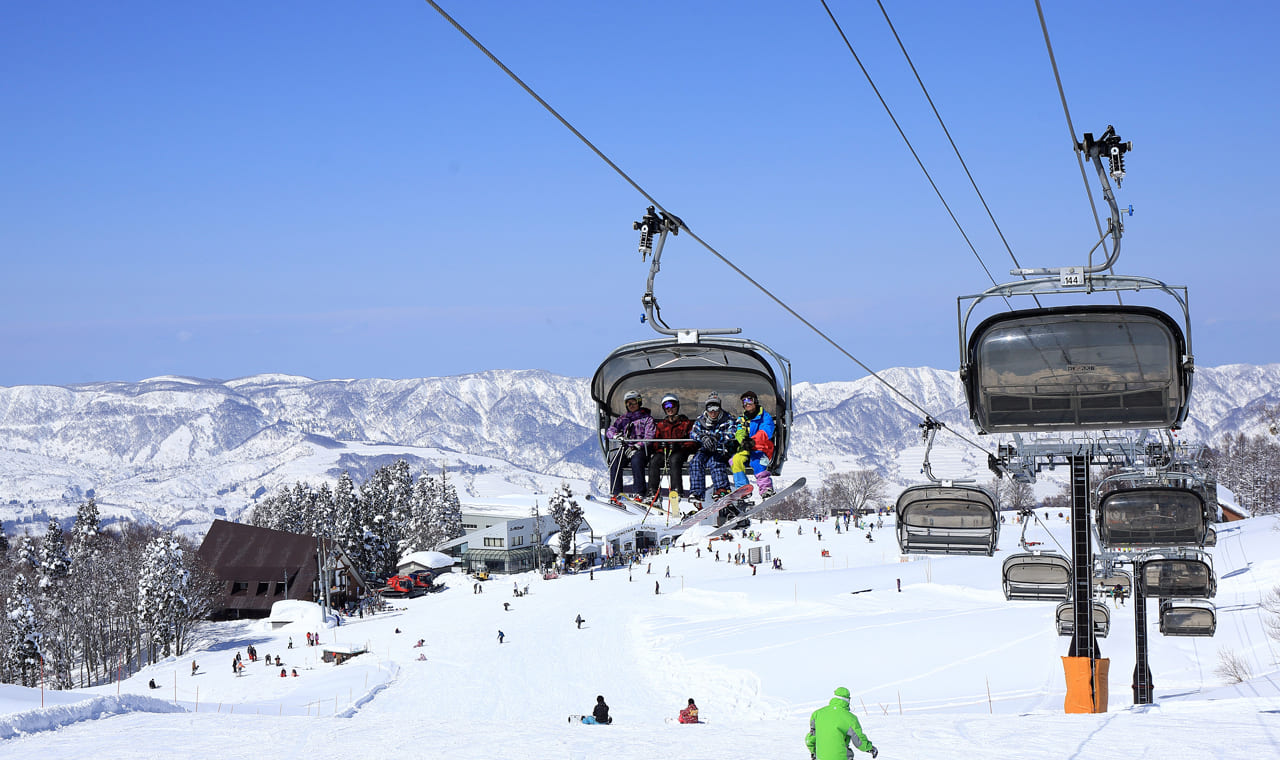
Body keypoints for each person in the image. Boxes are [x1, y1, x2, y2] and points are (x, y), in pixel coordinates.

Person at [687, 393, 736, 508]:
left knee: (715, 462)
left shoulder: (727, 419)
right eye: (710, 408)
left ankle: (721, 489)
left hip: (720, 449)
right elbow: (693, 433)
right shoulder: (701, 420)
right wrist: (702, 438)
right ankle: (697, 492)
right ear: (706, 409)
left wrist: (719, 437)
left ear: (720, 408)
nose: (713, 412)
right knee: (695, 462)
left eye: (716, 408)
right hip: (705, 449)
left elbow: (732, 432)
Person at [645, 393, 697, 501]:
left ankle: (676, 490)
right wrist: (660, 445)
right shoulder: (661, 425)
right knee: (654, 461)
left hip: (680, 451)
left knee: (674, 459)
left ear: (677, 406)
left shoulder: (685, 423)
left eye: (672, 405)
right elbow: (655, 441)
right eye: (666, 406)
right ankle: (652, 492)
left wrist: (680, 445)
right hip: (664, 451)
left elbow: (692, 441)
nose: (669, 409)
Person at [605, 389, 655, 498]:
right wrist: (616, 435)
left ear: (639, 402)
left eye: (633, 402)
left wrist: (638, 446)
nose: (631, 405)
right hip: (626, 447)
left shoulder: (647, 419)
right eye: (628, 403)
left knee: (636, 461)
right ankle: (616, 492)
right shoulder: (623, 419)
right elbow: (610, 431)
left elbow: (649, 436)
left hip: (641, 449)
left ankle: (639, 492)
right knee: (615, 462)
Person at [805, 687, 877, 760]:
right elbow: (859, 742)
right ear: (848, 700)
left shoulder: (817, 714)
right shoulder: (850, 718)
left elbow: (811, 738)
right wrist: (870, 748)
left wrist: (813, 752)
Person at [730, 390, 775, 498]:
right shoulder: (742, 419)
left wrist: (753, 440)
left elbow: (766, 430)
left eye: (749, 400)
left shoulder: (764, 417)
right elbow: (739, 431)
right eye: (744, 402)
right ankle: (743, 488)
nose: (747, 404)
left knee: (757, 463)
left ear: (755, 402)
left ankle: (766, 488)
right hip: (747, 448)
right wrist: (743, 440)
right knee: (735, 460)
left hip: (761, 448)